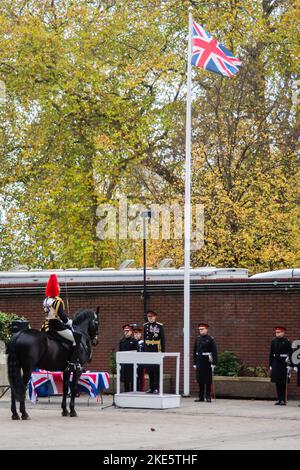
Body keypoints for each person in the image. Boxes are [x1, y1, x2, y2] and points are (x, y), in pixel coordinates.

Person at [41, 273, 83, 371]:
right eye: (58, 287)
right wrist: (69, 322)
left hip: (45, 325)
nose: (59, 289)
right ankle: (73, 363)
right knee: (77, 338)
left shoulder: (46, 300)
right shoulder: (58, 301)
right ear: (55, 288)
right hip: (56, 326)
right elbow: (62, 316)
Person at [193, 323, 218, 403]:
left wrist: (214, 363)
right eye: (200, 329)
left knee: (207, 380)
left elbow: (214, 352)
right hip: (199, 360)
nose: (201, 331)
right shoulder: (197, 338)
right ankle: (201, 397)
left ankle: (208, 397)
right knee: (200, 379)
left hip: (207, 361)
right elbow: (194, 351)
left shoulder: (210, 339)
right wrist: (194, 363)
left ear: (206, 329)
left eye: (202, 329)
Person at [143, 310, 166, 394]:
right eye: (149, 317)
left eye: (152, 317)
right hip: (148, 349)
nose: (150, 318)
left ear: (155, 317)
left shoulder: (159, 326)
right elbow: (145, 339)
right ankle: (151, 387)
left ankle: (156, 388)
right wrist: (145, 351)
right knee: (149, 370)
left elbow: (162, 339)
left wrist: (163, 351)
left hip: (156, 348)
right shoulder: (145, 326)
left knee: (156, 369)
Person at [269, 326, 292, 405]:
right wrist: (270, 364)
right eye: (276, 332)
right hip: (275, 362)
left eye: (278, 332)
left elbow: (290, 353)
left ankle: (283, 399)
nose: (277, 334)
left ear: (283, 333)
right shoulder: (273, 341)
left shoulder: (287, 341)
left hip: (283, 363)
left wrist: (290, 364)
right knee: (277, 381)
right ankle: (279, 399)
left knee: (283, 381)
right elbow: (271, 354)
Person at [119, 324, 138, 392]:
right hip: (124, 364)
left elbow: (137, 353)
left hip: (132, 364)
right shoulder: (122, 341)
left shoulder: (134, 341)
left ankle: (133, 393)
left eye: (128, 331)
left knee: (132, 380)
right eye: (125, 331)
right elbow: (120, 352)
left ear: (131, 332)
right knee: (125, 380)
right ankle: (126, 392)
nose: (126, 332)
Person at [133, 327, 145, 391]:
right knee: (135, 377)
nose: (136, 335)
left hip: (141, 363)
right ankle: (135, 389)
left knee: (141, 377)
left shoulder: (143, 343)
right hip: (133, 362)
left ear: (140, 335)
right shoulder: (132, 342)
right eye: (135, 334)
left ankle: (141, 389)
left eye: (137, 334)